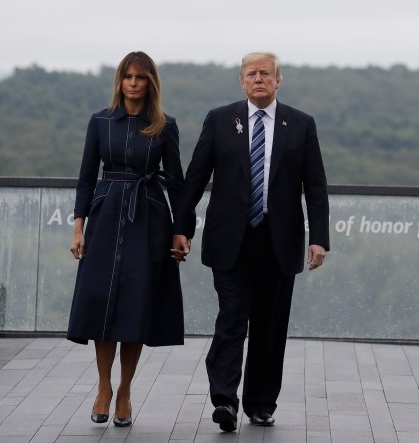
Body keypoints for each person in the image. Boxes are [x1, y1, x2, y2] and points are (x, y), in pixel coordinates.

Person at [172, 51, 330, 432]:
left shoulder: (301, 124)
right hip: (232, 240)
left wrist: (319, 239)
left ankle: (261, 404)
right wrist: (181, 227)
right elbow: (194, 178)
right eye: (251, 74)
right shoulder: (221, 119)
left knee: (269, 327)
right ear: (242, 82)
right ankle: (224, 399)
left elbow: (316, 185)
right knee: (232, 319)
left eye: (265, 73)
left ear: (278, 81)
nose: (258, 79)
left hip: (279, 242)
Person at [67, 51, 185, 428]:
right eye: (127, 77)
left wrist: (181, 230)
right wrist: (78, 227)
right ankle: (103, 386)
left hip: (149, 217)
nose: (133, 83)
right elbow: (86, 177)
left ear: (151, 82)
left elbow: (178, 183)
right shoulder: (100, 122)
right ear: (119, 81)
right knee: (103, 302)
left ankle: (126, 390)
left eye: (141, 77)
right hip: (104, 216)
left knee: (136, 304)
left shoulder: (165, 126)